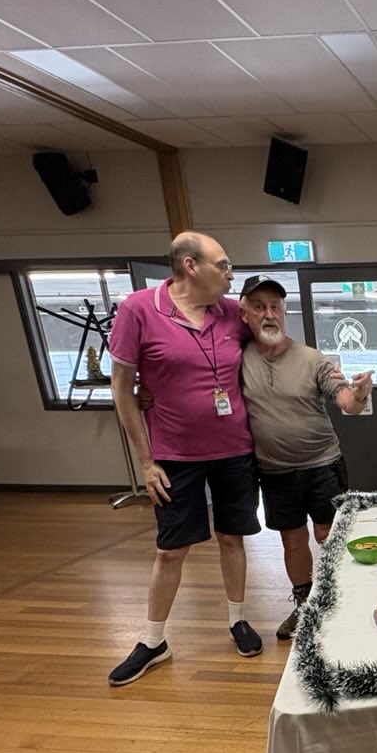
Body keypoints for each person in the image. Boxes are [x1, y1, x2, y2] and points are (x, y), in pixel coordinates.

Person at [107, 233, 263, 686]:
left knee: (232, 538)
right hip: (173, 455)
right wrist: (146, 460)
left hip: (234, 449)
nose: (230, 274)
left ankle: (237, 619)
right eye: (223, 265)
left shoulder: (231, 312)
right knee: (170, 549)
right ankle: (153, 641)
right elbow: (122, 388)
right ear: (191, 266)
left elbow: (272, 342)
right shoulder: (139, 309)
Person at [237, 277, 374, 639]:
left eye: (275, 307)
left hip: (323, 465)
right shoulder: (237, 359)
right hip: (275, 471)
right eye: (259, 307)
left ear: (284, 312)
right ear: (244, 313)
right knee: (292, 540)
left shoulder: (312, 358)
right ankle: (304, 606)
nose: (269, 314)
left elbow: (347, 404)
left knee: (329, 534)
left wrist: (360, 394)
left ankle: (340, 601)